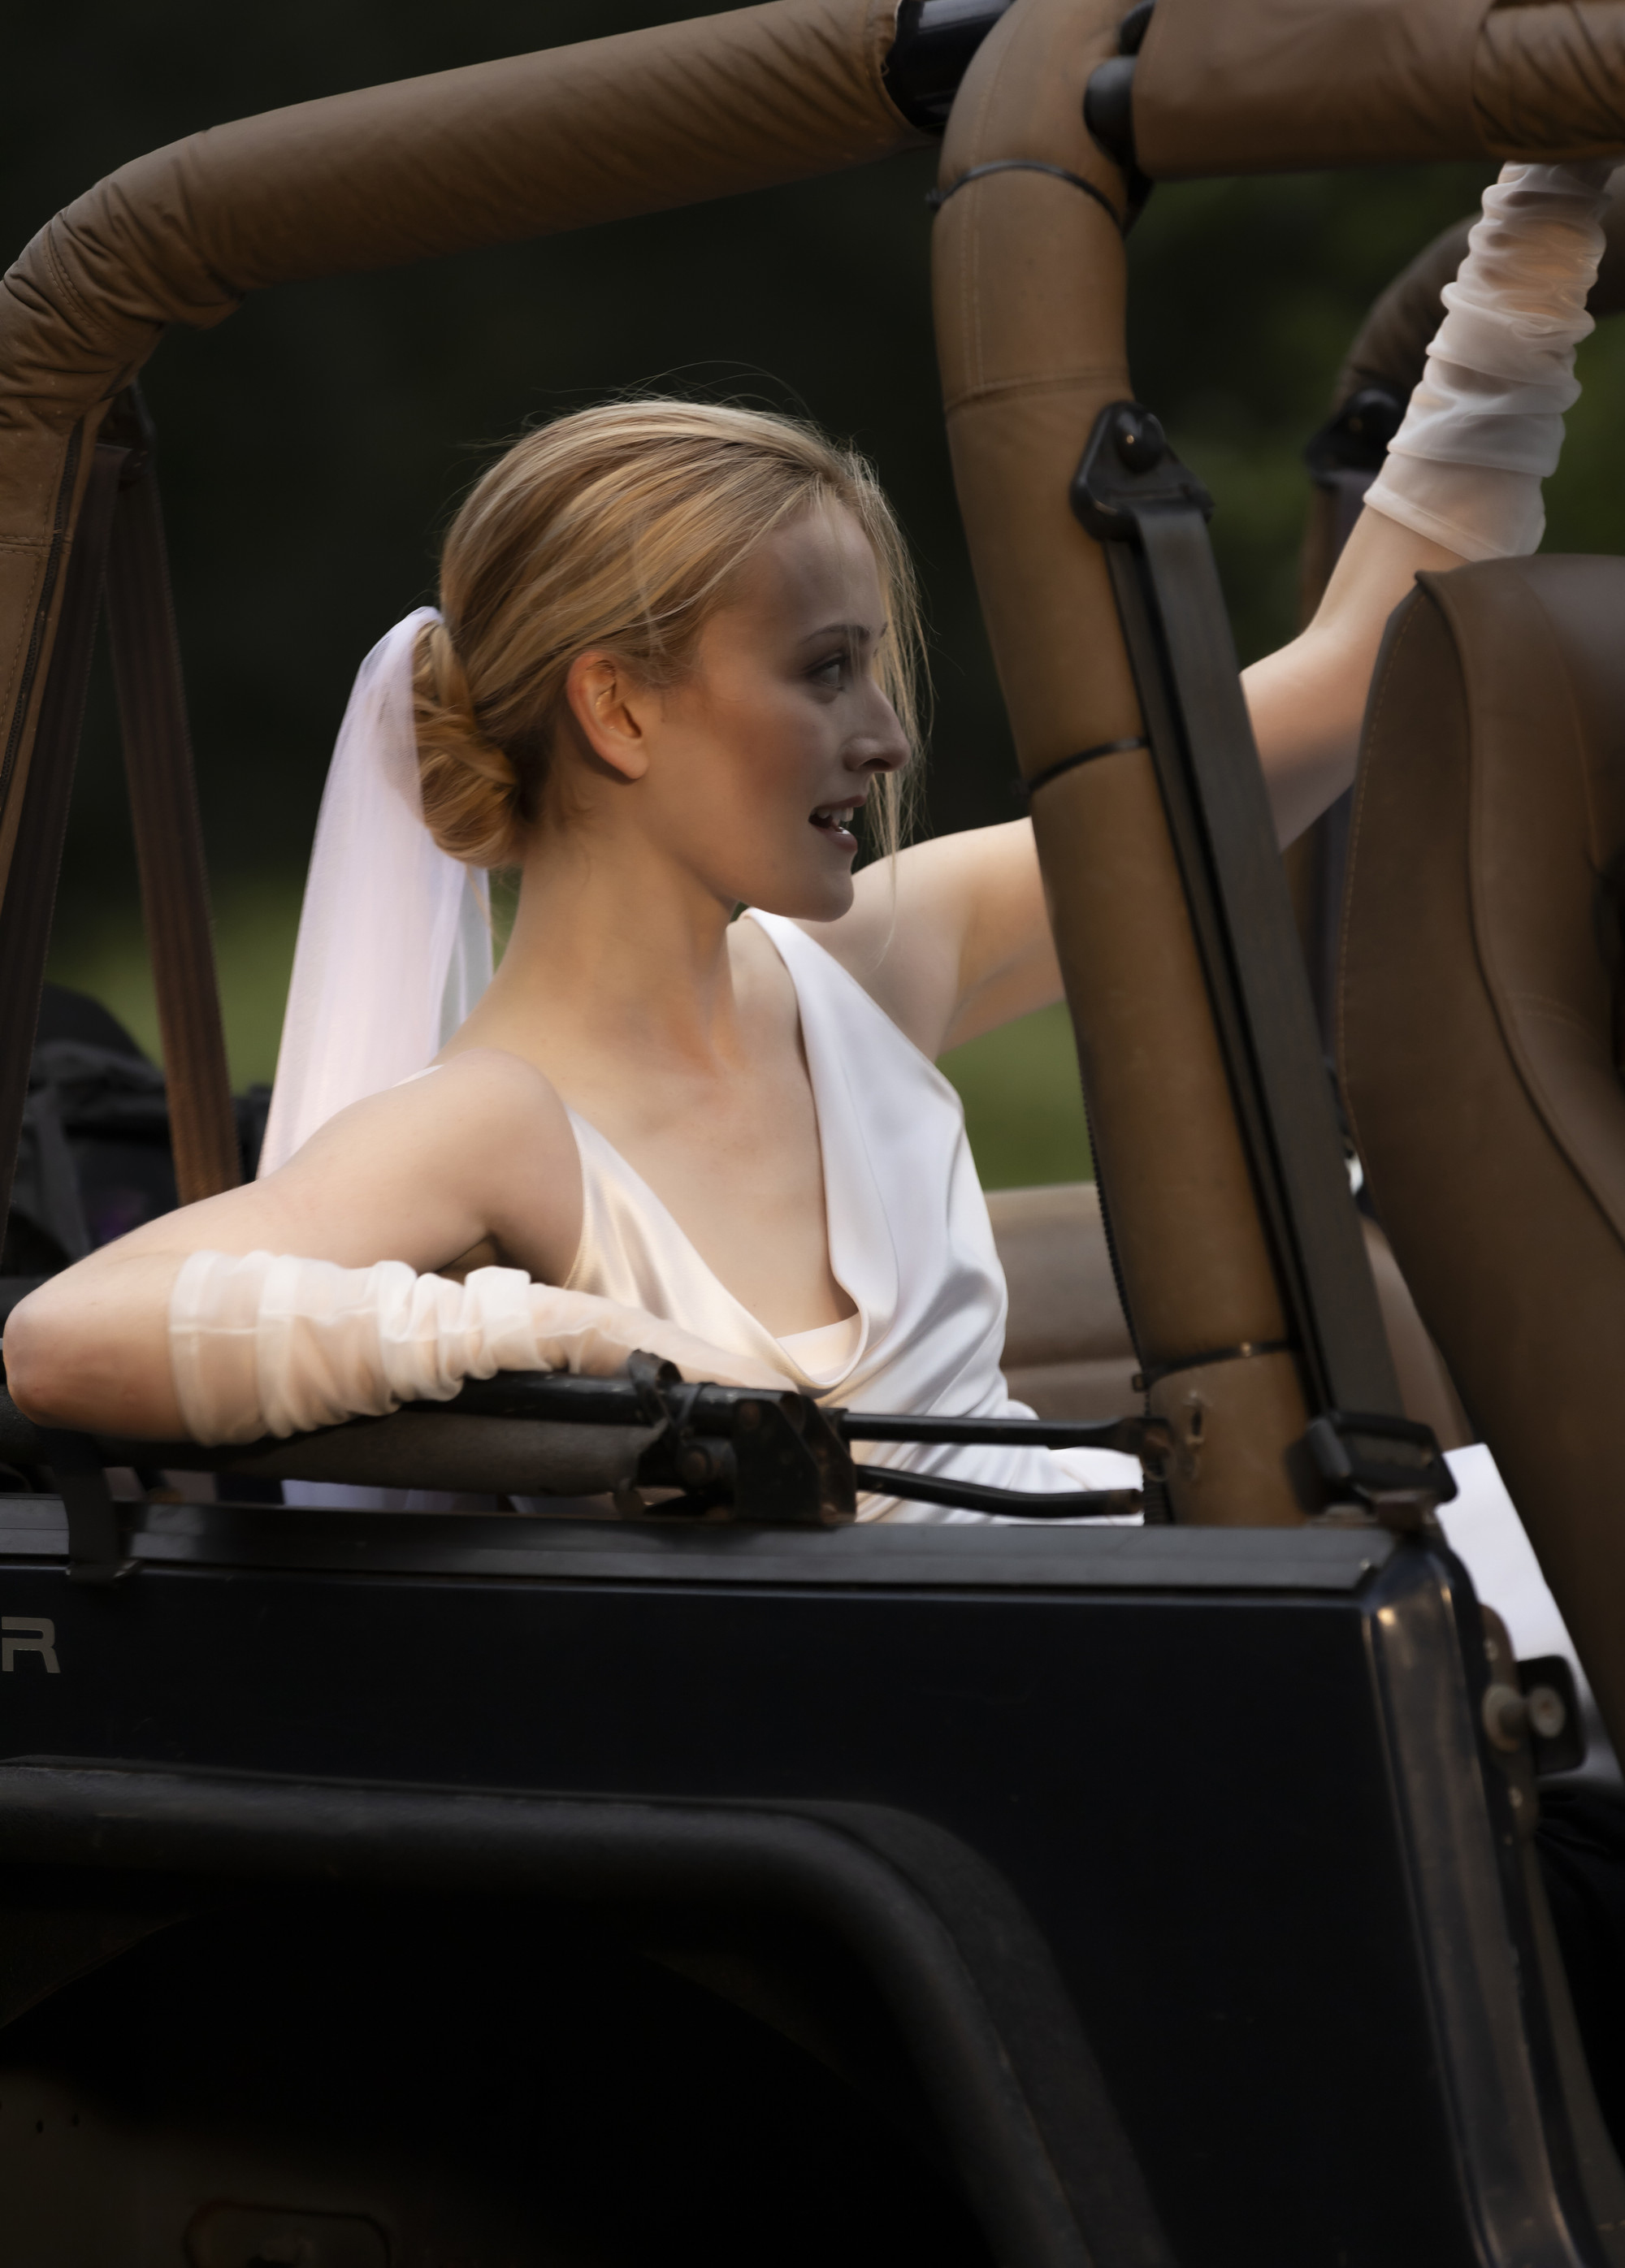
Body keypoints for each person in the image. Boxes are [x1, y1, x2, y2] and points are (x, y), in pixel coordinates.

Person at [3, 161, 1610, 1521]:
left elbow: (1341, 685)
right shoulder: (491, 1126)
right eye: (823, 670)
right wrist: (532, 1336)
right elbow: (63, 1340)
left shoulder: (876, 956)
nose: (890, 738)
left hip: (1100, 1620)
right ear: (618, 713)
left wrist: (1546, 211)